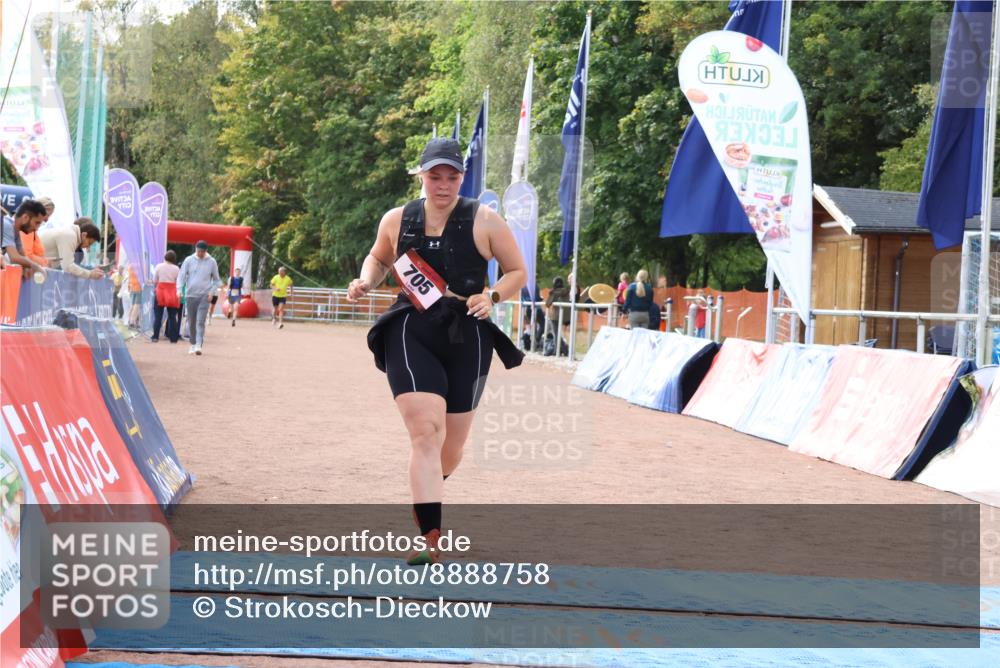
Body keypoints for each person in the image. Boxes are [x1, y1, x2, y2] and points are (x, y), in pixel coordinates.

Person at [347, 137, 526, 565]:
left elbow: (517, 271)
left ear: (463, 178)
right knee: (426, 431)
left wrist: (494, 296)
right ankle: (429, 538)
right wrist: (366, 280)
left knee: (451, 445)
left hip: (470, 335)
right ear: (421, 176)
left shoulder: (485, 221)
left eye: (452, 176)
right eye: (434, 175)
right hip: (411, 328)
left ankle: (430, 483)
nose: (443, 184)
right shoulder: (397, 218)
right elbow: (378, 257)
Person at [177, 240, 221, 355]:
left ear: (206, 251)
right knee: (191, 321)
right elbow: (181, 276)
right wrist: (179, 290)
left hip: (204, 295)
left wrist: (212, 292)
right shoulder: (188, 260)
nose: (200, 253)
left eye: (202, 251)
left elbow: (217, 280)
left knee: (200, 321)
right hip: (190, 294)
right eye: (198, 251)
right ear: (195, 250)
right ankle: (192, 343)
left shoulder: (212, 262)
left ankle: (198, 345)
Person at [38, 217, 104, 279]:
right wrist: (90, 274)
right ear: (84, 235)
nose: (88, 246)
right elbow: (67, 266)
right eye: (89, 243)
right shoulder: (70, 235)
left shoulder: (70, 233)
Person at [1, 199, 48, 280]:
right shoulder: (7, 225)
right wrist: (36, 267)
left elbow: (22, 256)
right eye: (37, 223)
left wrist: (27, 267)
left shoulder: (16, 230)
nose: (37, 228)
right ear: (25, 217)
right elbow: (14, 257)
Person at [151, 250, 182, 343]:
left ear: (165, 257)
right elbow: (179, 281)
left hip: (160, 291)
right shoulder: (177, 268)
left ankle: (155, 336)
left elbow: (155, 280)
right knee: (172, 316)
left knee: (158, 316)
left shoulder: (159, 266)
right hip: (172, 291)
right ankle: (173, 338)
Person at [18, 195, 52, 267]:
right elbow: (27, 255)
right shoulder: (28, 228)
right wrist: (45, 262)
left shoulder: (31, 229)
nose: (47, 220)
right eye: (47, 215)